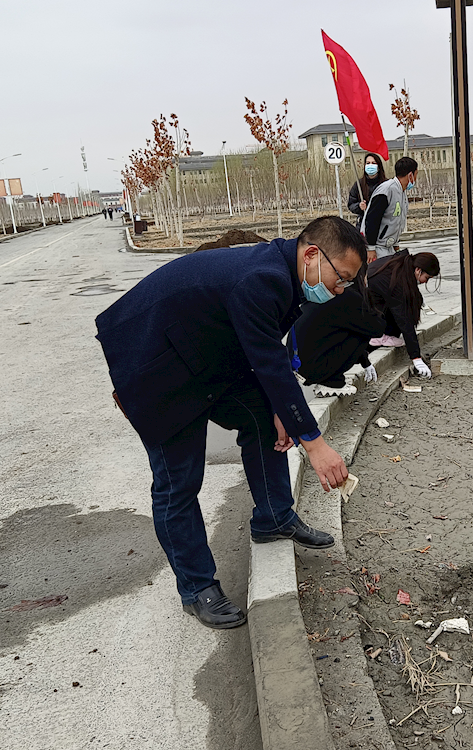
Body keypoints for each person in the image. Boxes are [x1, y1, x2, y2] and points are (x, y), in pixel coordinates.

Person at [95, 216, 365, 629]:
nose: (340, 290)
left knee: (261, 417)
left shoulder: (287, 274)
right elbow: (268, 361)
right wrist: (314, 443)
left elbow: (268, 350)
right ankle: (196, 587)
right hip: (156, 365)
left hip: (205, 353)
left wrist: (281, 408)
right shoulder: (263, 278)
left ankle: (274, 516)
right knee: (178, 481)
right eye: (340, 279)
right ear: (312, 254)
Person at [287, 284, 385, 397]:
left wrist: (365, 362)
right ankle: (332, 382)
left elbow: (338, 335)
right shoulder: (348, 296)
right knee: (363, 331)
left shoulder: (328, 294)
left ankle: (327, 378)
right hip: (312, 368)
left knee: (353, 328)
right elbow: (377, 328)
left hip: (296, 363)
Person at [366, 251, 439, 379]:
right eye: (427, 278)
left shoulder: (402, 266)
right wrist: (416, 358)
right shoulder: (396, 280)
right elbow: (405, 320)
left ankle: (383, 335)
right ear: (418, 270)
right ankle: (378, 336)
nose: (425, 282)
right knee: (402, 312)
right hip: (366, 308)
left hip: (370, 300)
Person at [360, 156, 418, 262]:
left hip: (388, 246)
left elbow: (395, 219)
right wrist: (371, 248)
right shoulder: (386, 190)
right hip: (377, 247)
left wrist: (396, 244)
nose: (415, 178)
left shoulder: (401, 192)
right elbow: (372, 219)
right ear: (410, 175)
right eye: (416, 175)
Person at [347, 153, 387, 230]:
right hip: (363, 225)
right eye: (368, 163)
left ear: (379, 167)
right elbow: (351, 204)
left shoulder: (386, 184)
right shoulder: (359, 185)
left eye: (373, 163)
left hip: (382, 225)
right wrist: (359, 206)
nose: (370, 165)